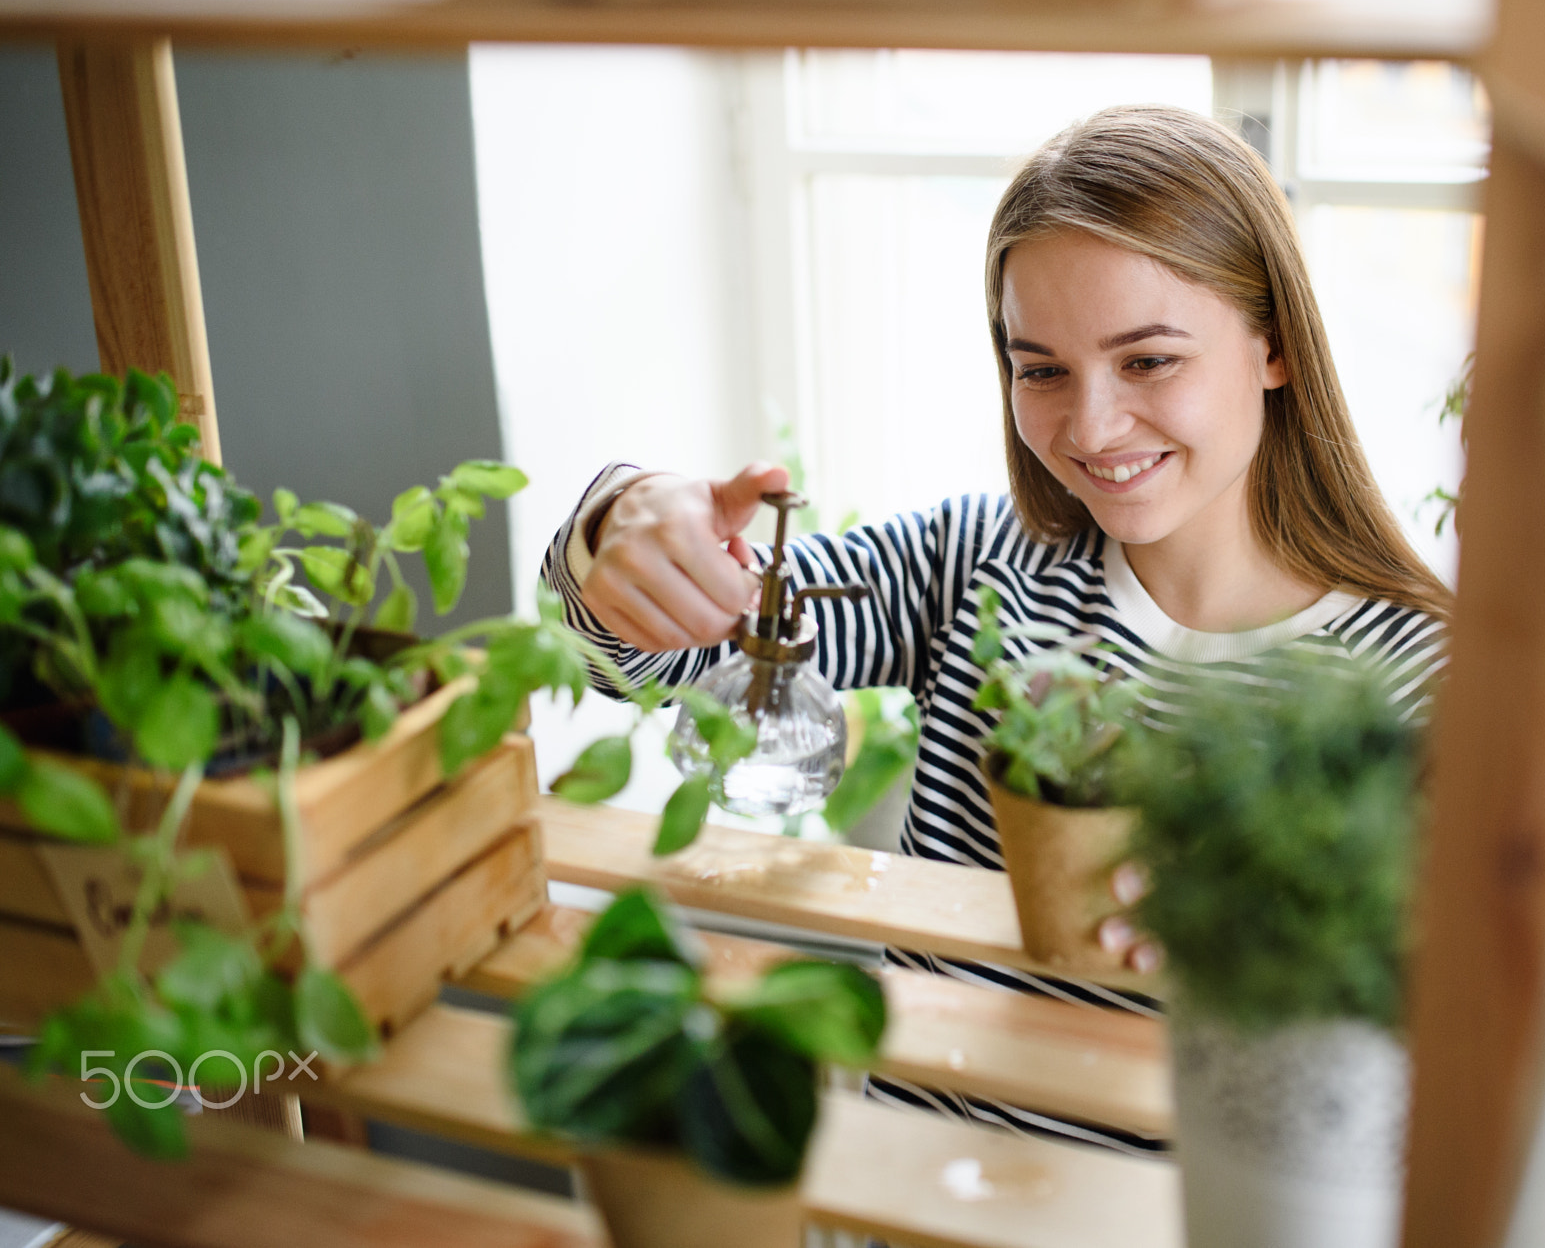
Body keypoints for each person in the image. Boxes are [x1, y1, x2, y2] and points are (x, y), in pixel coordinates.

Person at [544, 104, 1450, 1155]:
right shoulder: (979, 568)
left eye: (1148, 361)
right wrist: (620, 523)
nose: (1091, 426)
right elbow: (653, 663)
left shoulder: (1414, 679)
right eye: (1041, 369)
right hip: (909, 1202)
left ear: (1273, 347)